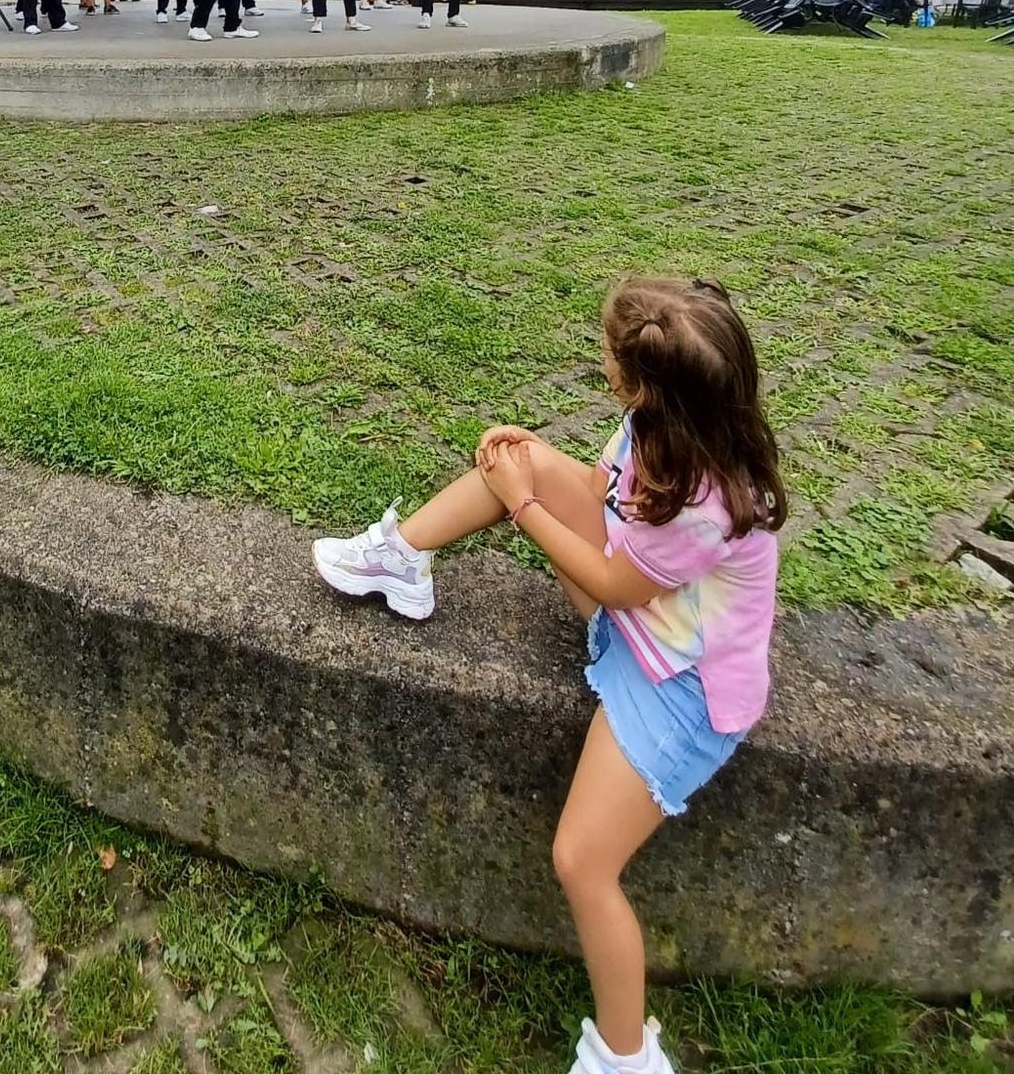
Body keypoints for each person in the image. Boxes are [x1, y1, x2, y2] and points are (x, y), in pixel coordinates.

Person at [312, 277, 785, 1074]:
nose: (601, 364)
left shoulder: (708, 506)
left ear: (651, 387)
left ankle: (627, 1056)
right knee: (515, 458)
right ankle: (403, 558)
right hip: (643, 619)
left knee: (582, 861)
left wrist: (524, 506)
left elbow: (611, 584)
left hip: (679, 690)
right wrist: (527, 458)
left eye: (611, 358)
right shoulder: (663, 427)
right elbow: (607, 501)